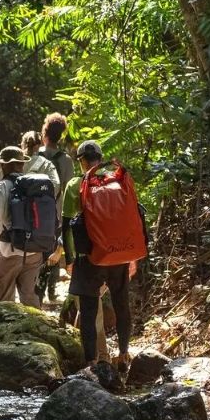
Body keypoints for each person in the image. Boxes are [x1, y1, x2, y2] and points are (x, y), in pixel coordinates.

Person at [62, 140, 137, 372]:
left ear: (82, 161)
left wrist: (69, 259)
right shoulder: (118, 181)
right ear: (101, 157)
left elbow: (66, 225)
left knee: (89, 310)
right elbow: (132, 218)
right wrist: (132, 256)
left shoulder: (76, 184)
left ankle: (92, 363)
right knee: (121, 305)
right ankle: (124, 354)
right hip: (119, 254)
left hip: (90, 257)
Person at [0, 146, 59, 307]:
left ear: (5, 165)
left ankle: (8, 331)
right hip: (35, 252)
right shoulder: (36, 185)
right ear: (21, 165)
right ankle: (35, 330)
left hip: (9, 252)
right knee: (30, 300)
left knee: (5, 302)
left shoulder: (1, 187)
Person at [36, 114, 75, 303]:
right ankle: (51, 292)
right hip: (56, 213)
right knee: (53, 251)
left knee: (36, 250)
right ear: (60, 136)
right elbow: (69, 190)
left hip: (34, 213)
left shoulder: (34, 156)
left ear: (44, 133)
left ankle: (36, 291)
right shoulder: (66, 161)